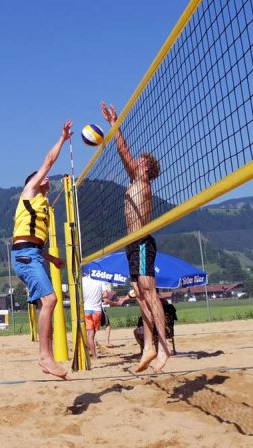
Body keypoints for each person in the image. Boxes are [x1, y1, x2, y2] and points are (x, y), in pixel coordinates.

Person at [100, 102, 171, 373]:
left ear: (147, 169)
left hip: (142, 242)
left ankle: (164, 348)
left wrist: (114, 124)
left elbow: (123, 151)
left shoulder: (143, 183)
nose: (136, 162)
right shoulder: (134, 183)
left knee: (150, 294)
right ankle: (149, 346)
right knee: (140, 296)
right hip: (132, 244)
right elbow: (126, 154)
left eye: (141, 161)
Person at [11, 120, 73, 380]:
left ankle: (46, 356)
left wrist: (53, 259)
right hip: (25, 255)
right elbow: (48, 162)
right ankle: (45, 357)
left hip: (32, 253)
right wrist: (62, 139)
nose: (46, 178)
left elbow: (34, 242)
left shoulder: (44, 207)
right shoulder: (30, 192)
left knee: (48, 302)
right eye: (41, 178)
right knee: (50, 300)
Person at [81, 273, 105, 359]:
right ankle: (93, 353)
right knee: (92, 335)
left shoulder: (83, 280)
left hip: (86, 309)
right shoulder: (100, 280)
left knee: (89, 335)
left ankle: (92, 354)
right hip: (97, 310)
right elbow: (105, 294)